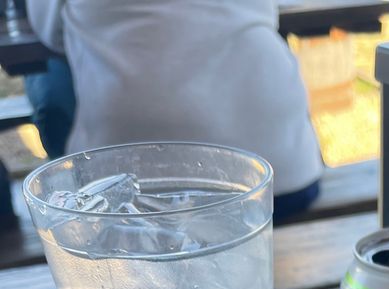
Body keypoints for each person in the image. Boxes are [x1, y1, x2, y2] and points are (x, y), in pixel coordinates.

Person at [26, 0, 323, 219]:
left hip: (134, 202)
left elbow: (49, 32)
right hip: (285, 180)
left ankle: (66, 173)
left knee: (49, 79)